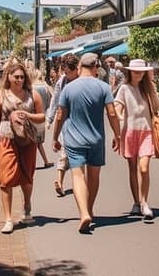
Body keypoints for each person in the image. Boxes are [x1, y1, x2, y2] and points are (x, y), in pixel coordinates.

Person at [52, 52, 121, 234]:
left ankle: (83, 213)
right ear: (96, 67)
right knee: (94, 176)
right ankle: (90, 209)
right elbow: (112, 113)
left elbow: (60, 115)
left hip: (74, 139)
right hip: (96, 138)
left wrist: (55, 137)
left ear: (80, 66)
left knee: (77, 176)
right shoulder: (103, 87)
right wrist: (118, 135)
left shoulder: (69, 88)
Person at [0, 63, 45, 234]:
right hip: (6, 139)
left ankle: (27, 206)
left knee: (27, 175)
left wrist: (27, 115)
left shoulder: (33, 95)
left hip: (27, 140)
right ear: (8, 77)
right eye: (16, 77)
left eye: (22, 77)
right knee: (5, 178)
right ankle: (8, 218)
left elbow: (42, 116)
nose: (19, 80)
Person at [114, 59, 159, 219]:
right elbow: (118, 106)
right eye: (136, 71)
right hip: (130, 132)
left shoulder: (148, 89)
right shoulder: (124, 88)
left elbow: (158, 106)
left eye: (142, 71)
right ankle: (136, 202)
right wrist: (119, 116)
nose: (139, 74)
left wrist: (154, 89)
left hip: (146, 132)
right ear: (129, 72)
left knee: (144, 168)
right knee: (132, 169)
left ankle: (144, 202)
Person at [46, 54, 80, 197]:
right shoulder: (63, 81)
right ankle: (59, 182)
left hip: (81, 123)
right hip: (66, 123)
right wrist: (50, 118)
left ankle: (79, 183)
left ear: (75, 70)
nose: (65, 74)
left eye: (67, 72)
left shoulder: (82, 80)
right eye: (64, 71)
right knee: (64, 152)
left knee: (78, 156)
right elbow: (56, 100)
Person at [31, 69, 54, 168]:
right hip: (42, 117)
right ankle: (45, 161)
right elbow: (50, 103)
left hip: (32, 117)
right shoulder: (45, 88)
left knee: (34, 142)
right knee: (38, 142)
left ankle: (42, 162)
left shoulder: (31, 88)